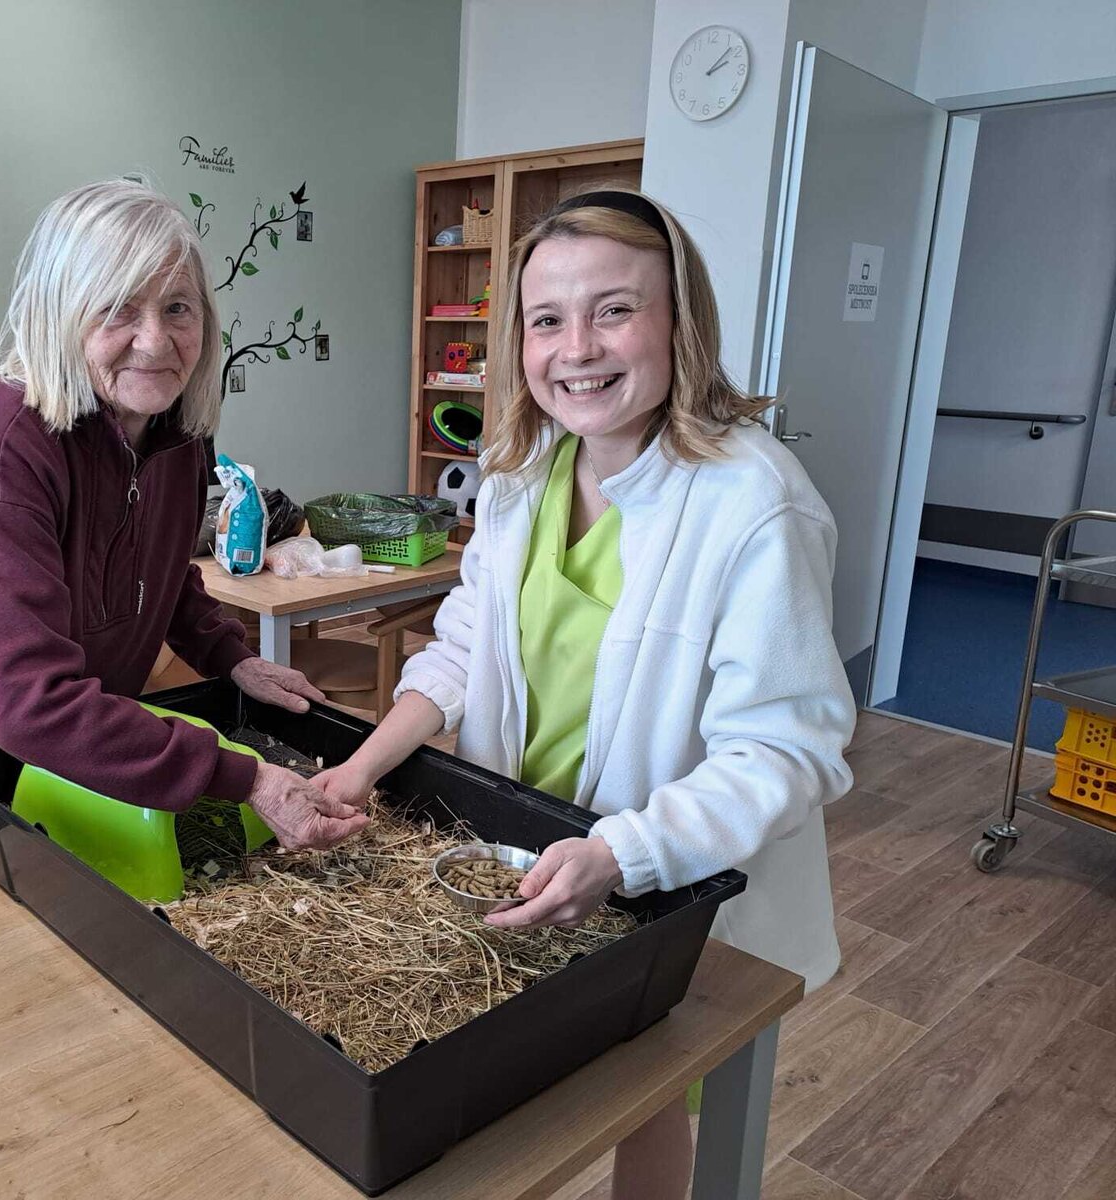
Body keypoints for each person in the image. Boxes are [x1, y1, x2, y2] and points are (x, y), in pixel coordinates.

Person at [311, 190, 855, 1200]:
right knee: (524, 1095)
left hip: (667, 871)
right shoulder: (523, 473)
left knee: (648, 1092)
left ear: (679, 322)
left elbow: (788, 750)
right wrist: (361, 767)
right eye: (546, 319)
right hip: (528, 848)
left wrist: (625, 853)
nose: (577, 350)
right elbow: (461, 649)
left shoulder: (753, 503)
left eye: (615, 310)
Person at [0, 177, 368, 878]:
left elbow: (162, 572)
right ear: (60, 312)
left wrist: (230, 656)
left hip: (70, 749)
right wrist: (248, 779)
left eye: (177, 307)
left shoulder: (177, 430)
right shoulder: (1, 440)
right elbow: (29, 702)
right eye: (118, 308)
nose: (155, 342)